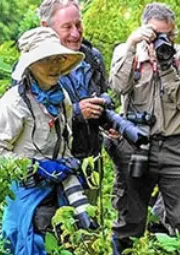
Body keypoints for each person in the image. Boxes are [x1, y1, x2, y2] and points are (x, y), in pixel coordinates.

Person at [0, 27, 90, 255]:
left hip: (59, 191)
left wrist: (67, 165)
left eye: (58, 59)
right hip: (27, 194)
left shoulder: (63, 99)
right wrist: (35, 166)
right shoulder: (14, 103)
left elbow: (65, 142)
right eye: (46, 60)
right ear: (30, 65)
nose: (54, 66)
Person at [109, 2, 180, 255]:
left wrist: (167, 66)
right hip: (137, 143)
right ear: (145, 30)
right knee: (131, 215)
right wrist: (132, 45)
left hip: (174, 142)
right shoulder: (128, 53)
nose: (164, 40)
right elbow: (117, 87)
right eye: (157, 34)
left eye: (169, 35)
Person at [39, 0, 109, 168]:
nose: (76, 34)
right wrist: (76, 112)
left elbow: (102, 92)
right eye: (67, 27)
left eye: (78, 25)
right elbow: (32, 122)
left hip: (90, 161)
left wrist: (106, 118)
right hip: (52, 165)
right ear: (45, 26)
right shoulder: (35, 65)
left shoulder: (92, 57)